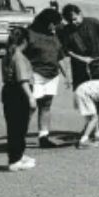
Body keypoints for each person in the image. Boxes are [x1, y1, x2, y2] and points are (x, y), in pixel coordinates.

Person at [23, 8, 70, 149]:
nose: (56, 26)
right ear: (48, 22)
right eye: (54, 23)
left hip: (52, 75)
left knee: (46, 106)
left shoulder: (53, 36)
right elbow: (20, 56)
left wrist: (67, 75)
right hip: (34, 74)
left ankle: (44, 137)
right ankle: (19, 136)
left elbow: (60, 56)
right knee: (30, 107)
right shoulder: (29, 34)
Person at [1, 27, 37, 171]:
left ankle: (18, 155)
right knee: (19, 128)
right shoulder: (19, 57)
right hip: (20, 92)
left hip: (8, 90)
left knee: (13, 127)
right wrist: (31, 97)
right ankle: (15, 160)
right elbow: (23, 79)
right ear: (25, 41)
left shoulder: (7, 55)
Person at [60, 3, 99, 89]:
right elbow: (67, 50)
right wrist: (82, 59)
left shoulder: (93, 22)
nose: (73, 23)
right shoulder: (66, 30)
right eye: (70, 21)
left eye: (75, 19)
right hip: (79, 68)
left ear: (80, 13)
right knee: (82, 92)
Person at [73, 63, 99, 149]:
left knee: (94, 115)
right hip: (84, 94)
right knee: (94, 118)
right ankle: (83, 140)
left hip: (81, 89)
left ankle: (97, 134)